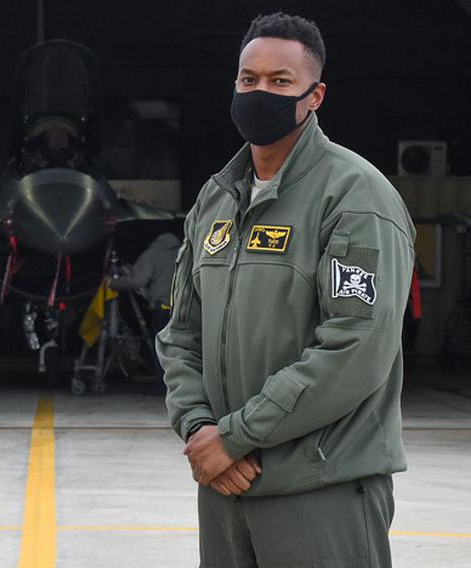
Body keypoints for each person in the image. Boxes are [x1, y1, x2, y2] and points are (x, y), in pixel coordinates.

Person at [157, 13, 414, 567]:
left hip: (317, 489)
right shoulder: (217, 199)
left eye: (280, 82)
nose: (259, 92)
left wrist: (236, 436)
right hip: (226, 486)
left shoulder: (355, 197)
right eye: (248, 79)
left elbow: (355, 347)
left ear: (314, 95)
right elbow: (181, 334)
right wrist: (201, 430)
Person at [108, 232, 181, 337]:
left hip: (163, 310)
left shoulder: (153, 254)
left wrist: (112, 283)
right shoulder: (185, 254)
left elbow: (137, 281)